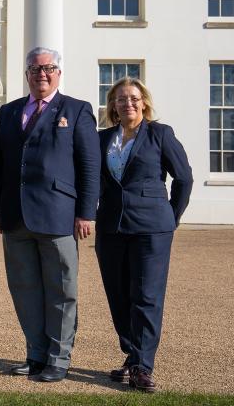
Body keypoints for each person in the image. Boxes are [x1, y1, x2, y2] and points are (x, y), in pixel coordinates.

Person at [0, 46, 100, 382]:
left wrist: (86, 212)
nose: (42, 74)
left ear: (58, 73)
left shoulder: (77, 110)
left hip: (58, 215)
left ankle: (59, 358)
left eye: (48, 68)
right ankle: (35, 354)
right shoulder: (8, 112)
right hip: (15, 215)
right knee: (24, 288)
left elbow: (89, 166)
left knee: (61, 289)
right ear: (27, 74)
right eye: (35, 69)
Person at [95, 77, 192, 393]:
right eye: (121, 99)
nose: (128, 103)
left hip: (152, 228)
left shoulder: (160, 134)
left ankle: (142, 367)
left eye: (134, 98)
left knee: (147, 297)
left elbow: (184, 179)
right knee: (119, 296)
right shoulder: (102, 138)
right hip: (111, 228)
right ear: (113, 105)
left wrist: (170, 217)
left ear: (144, 102)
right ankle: (133, 353)